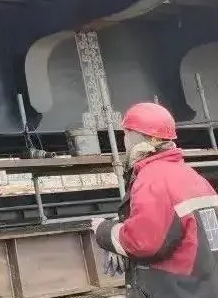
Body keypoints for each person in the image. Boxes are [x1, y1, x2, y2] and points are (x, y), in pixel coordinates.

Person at [92, 102, 218, 297]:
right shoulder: (193, 177)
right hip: (200, 286)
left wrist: (104, 230)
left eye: (125, 134)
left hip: (172, 290)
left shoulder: (152, 180)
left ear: (135, 137)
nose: (124, 141)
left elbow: (142, 242)